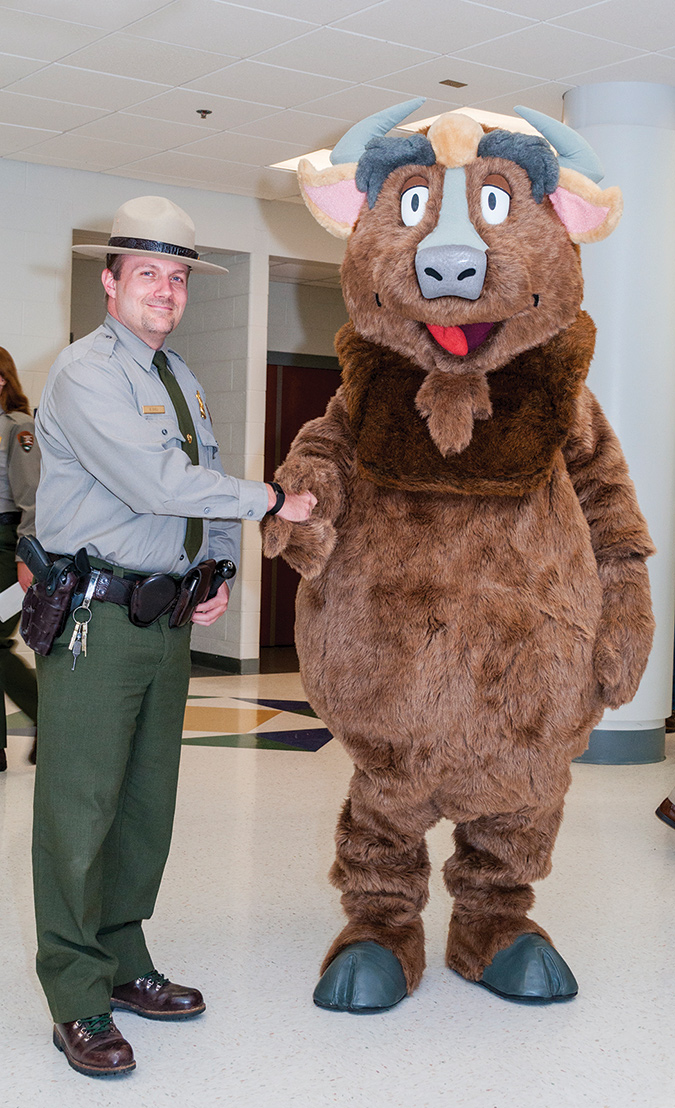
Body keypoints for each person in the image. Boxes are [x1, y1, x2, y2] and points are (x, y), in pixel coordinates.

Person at [31, 196, 316, 1078]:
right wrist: (268, 499)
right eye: (147, 273)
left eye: (179, 276)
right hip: (93, 623)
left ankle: (123, 963)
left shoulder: (177, 376)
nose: (165, 289)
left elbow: (199, 476)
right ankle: (76, 996)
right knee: (79, 812)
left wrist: (220, 569)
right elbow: (157, 483)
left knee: (145, 807)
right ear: (110, 282)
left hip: (159, 622)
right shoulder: (88, 373)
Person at [0, 347, 39, 772]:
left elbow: (31, 496)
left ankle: (45, 716)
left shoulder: (19, 428)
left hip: (6, 541)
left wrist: (25, 551)